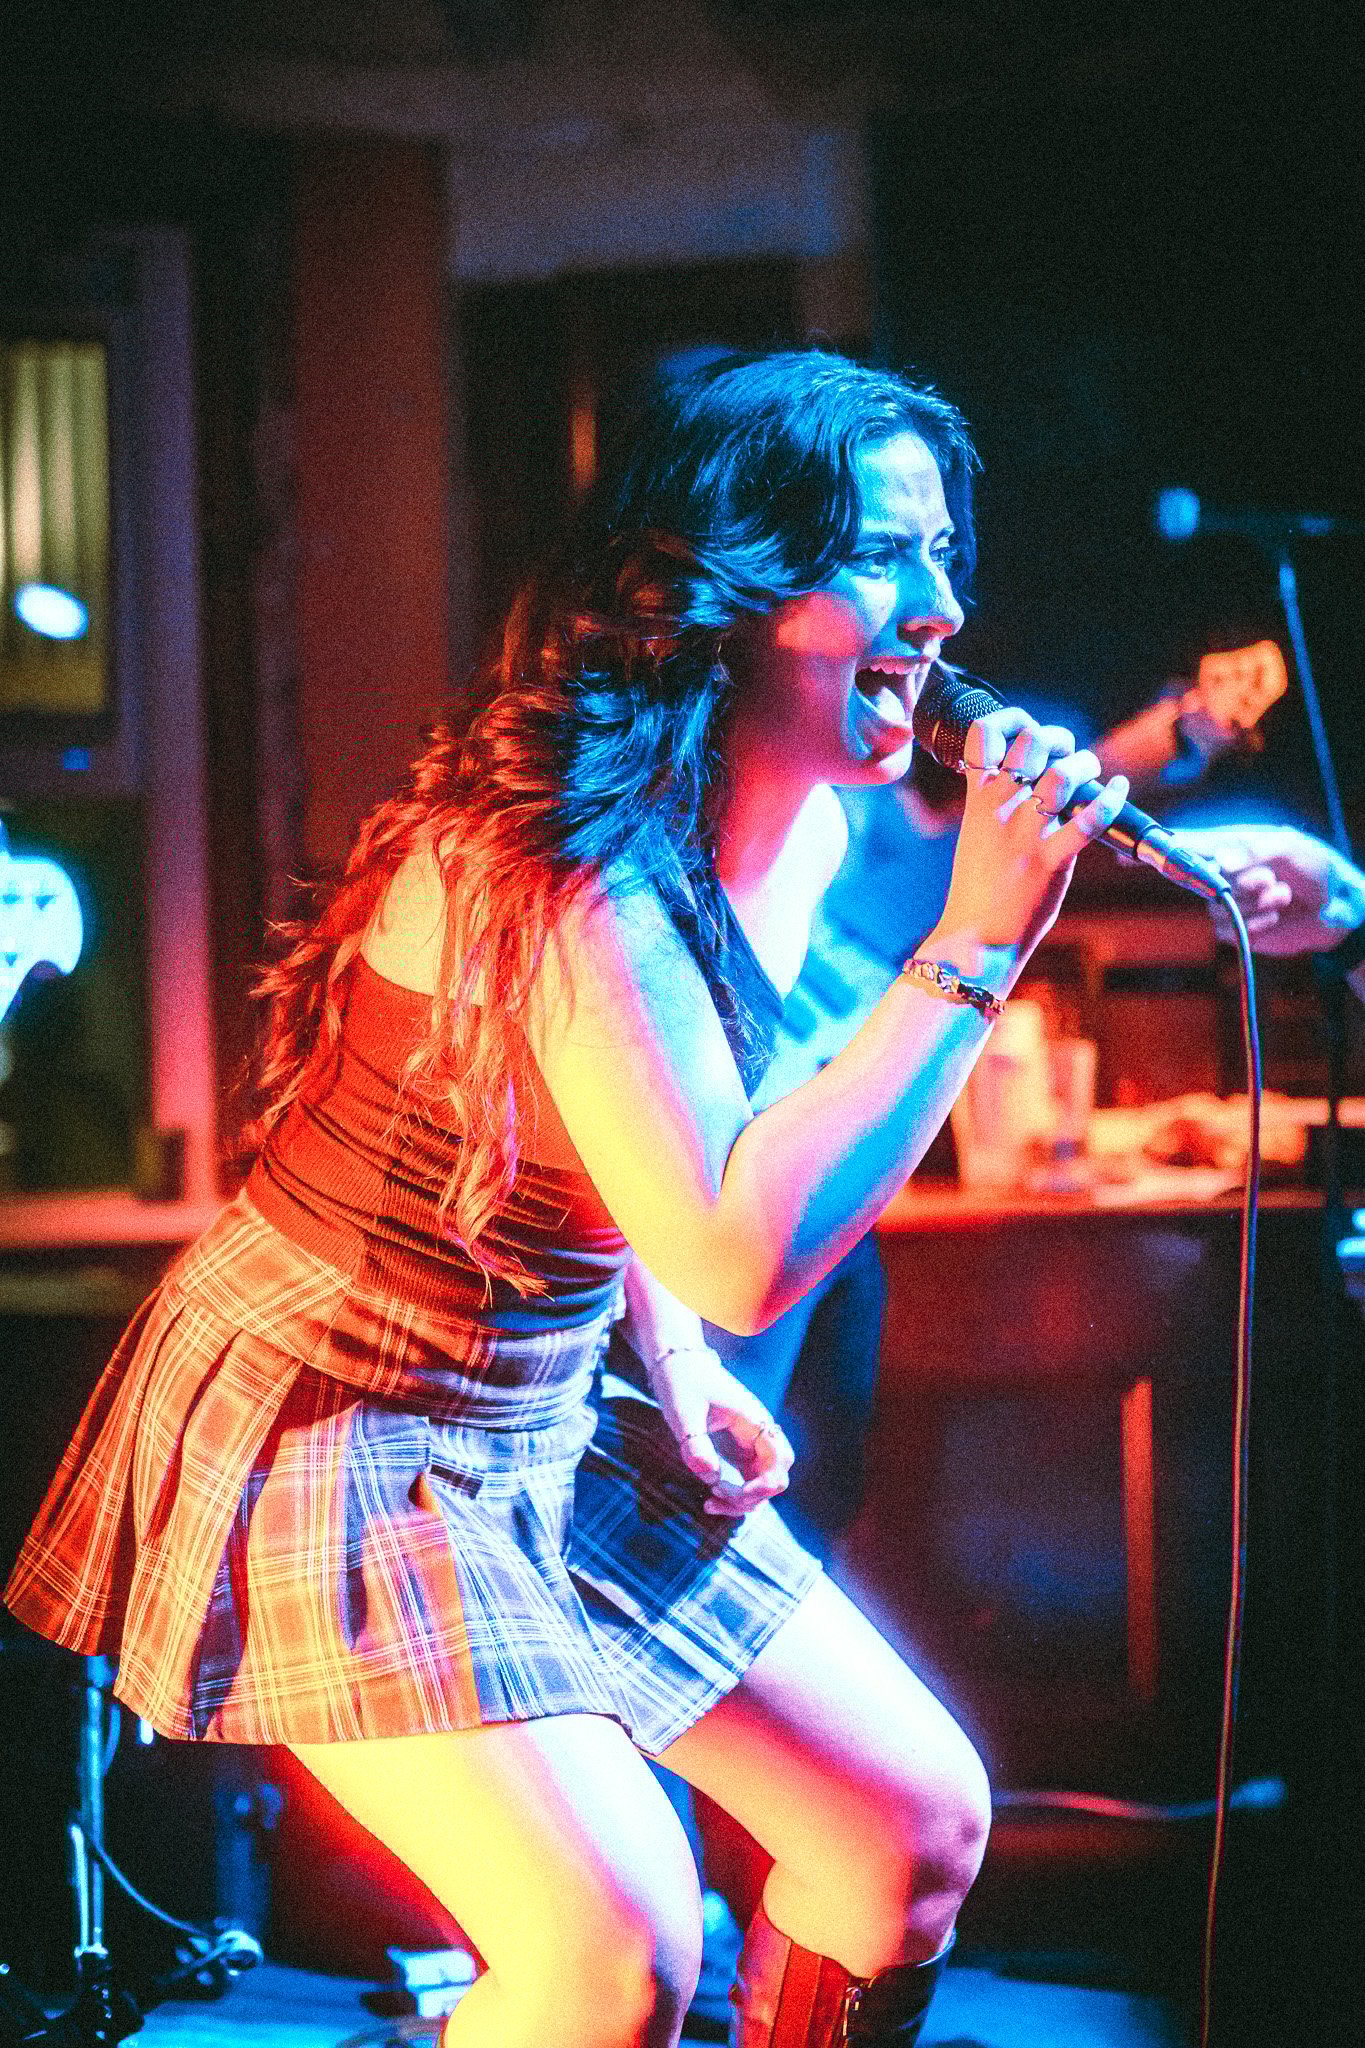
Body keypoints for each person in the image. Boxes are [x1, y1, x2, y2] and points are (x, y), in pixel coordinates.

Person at [3, 351, 1129, 2048]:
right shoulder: (555, 865)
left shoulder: (804, 833)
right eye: (893, 559)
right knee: (611, 1954)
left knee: (908, 1827)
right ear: (707, 588)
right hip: (347, 1413)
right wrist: (975, 942)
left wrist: (664, 1368)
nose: (945, 609)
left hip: (541, 1389)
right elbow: (746, 1248)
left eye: (948, 557)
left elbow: (642, 1157)